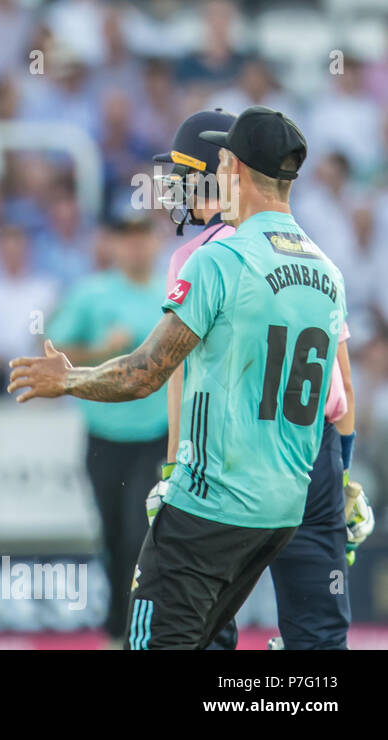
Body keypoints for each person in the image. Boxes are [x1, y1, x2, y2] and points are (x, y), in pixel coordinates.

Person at [9, 106, 346, 650]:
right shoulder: (327, 271)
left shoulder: (218, 259)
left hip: (213, 502)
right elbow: (337, 388)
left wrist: (69, 379)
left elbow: (145, 373)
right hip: (284, 504)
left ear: (230, 166)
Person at [150, 109, 374, 651]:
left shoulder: (199, 257)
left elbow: (179, 374)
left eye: (181, 172)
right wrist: (341, 476)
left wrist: (175, 466)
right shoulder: (316, 258)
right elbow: (339, 385)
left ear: (218, 171)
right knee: (317, 636)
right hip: (311, 456)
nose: (170, 187)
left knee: (201, 624)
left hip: (233, 451)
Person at [47, 210, 168, 647]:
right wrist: (99, 349)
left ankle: (140, 629)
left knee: (142, 533)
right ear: (114, 245)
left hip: (156, 433)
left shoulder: (170, 292)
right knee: (113, 534)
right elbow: (54, 349)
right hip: (104, 432)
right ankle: (118, 629)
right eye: (127, 238)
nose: (136, 247)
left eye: (142, 237)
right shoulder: (92, 294)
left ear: (154, 242)